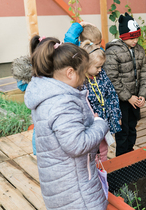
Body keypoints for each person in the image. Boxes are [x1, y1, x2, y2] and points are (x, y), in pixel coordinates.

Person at [24, 38, 109, 210]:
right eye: (83, 72)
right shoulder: (62, 103)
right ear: (70, 73)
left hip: (61, 185)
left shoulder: (47, 94)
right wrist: (100, 124)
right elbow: (77, 145)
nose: (85, 77)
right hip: (77, 192)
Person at [104, 12, 146, 156]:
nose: (135, 40)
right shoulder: (113, 52)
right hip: (121, 100)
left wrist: (142, 94)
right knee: (122, 131)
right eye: (132, 38)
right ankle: (122, 160)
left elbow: (144, 74)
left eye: (137, 36)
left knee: (132, 127)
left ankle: (130, 154)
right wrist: (128, 97)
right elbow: (112, 79)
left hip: (135, 98)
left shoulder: (139, 50)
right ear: (123, 37)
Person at [80, 41, 122, 162]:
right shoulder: (81, 82)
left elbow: (112, 94)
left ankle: (104, 169)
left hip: (105, 121)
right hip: (91, 125)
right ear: (86, 65)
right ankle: (95, 172)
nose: (100, 69)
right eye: (97, 67)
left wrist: (116, 115)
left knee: (104, 148)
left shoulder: (102, 75)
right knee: (93, 150)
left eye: (101, 66)